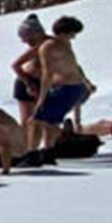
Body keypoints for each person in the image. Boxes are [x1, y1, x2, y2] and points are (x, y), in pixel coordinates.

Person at [32, 16, 94, 152]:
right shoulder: (52, 46)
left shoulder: (57, 45)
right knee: (44, 120)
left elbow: (50, 74)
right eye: (72, 34)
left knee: (44, 121)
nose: (73, 37)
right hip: (70, 87)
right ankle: (46, 148)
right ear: (63, 32)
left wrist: (41, 98)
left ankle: (47, 150)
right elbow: (50, 73)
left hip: (69, 87)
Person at [9, 14, 47, 137]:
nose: (25, 42)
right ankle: (23, 147)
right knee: (28, 120)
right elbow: (15, 65)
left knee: (43, 118)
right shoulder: (37, 48)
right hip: (27, 82)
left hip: (43, 83)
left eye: (27, 38)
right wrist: (29, 83)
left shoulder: (48, 44)